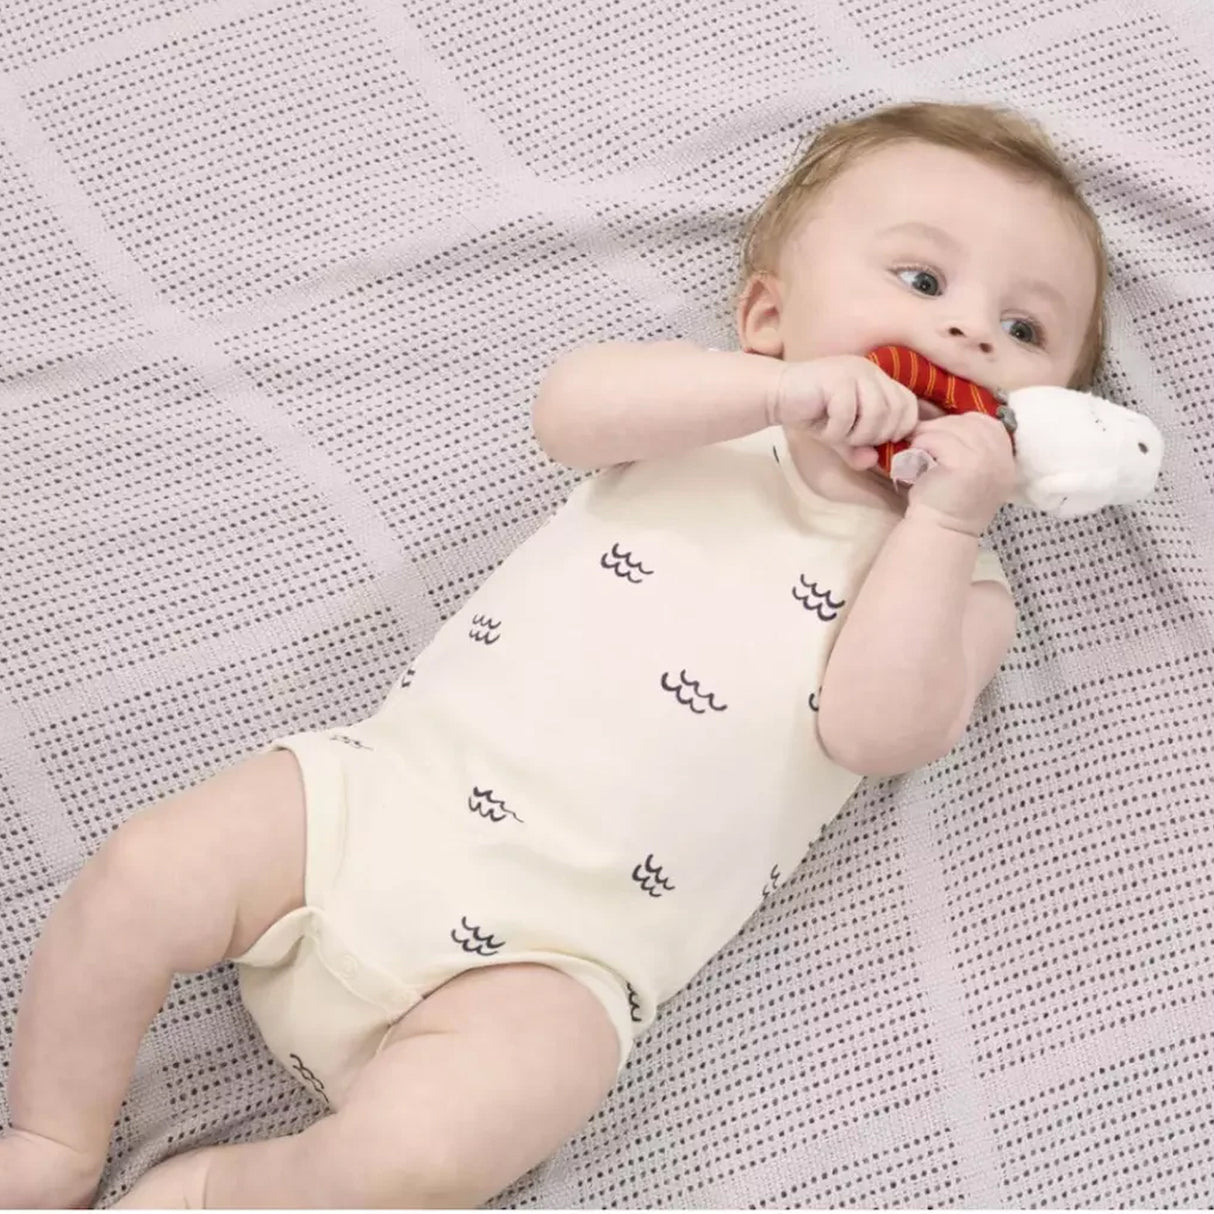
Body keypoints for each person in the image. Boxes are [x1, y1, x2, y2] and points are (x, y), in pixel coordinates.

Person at [0, 99, 1105, 1208]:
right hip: (367, 806)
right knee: (139, 877)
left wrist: (946, 521)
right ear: (767, 314)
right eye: (920, 281)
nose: (967, 336)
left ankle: (219, 1191)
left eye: (1024, 331)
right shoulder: (716, 414)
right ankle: (52, 1137)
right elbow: (566, 411)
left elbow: (873, 728)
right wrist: (773, 392)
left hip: (547, 961)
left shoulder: (961, 582)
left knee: (430, 1158)